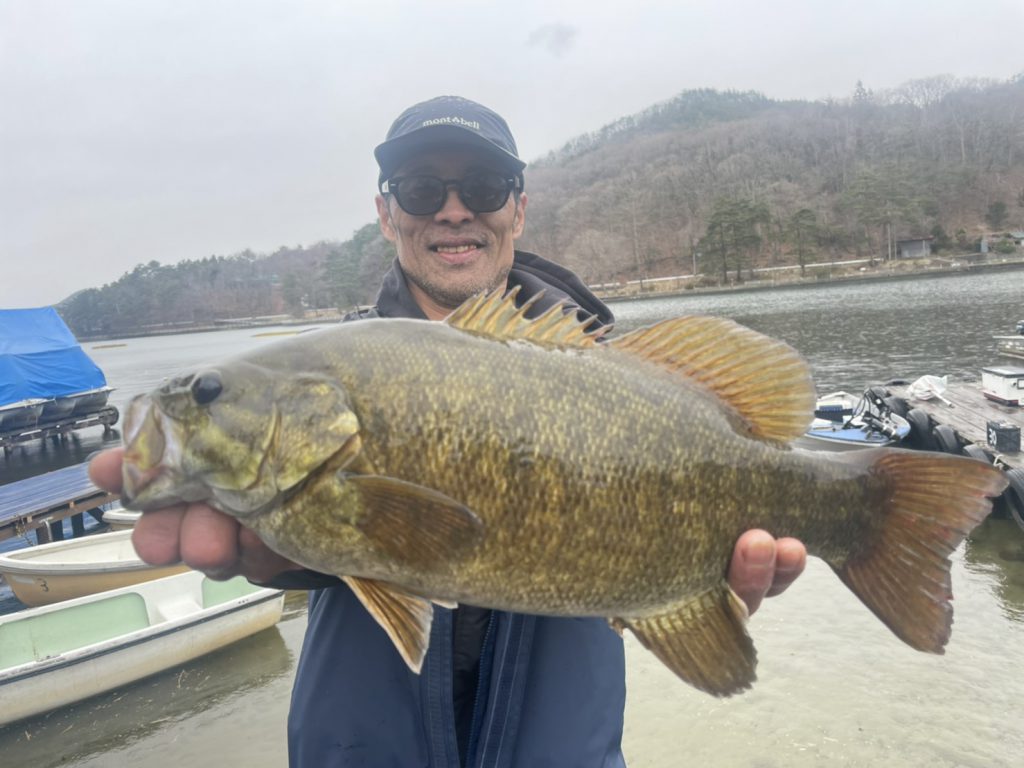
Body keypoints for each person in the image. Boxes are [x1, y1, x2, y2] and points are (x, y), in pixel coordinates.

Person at [89, 95, 807, 768]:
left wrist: (685, 595)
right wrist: (291, 545)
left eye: (486, 187)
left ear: (519, 211)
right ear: (386, 212)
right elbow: (384, 538)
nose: (455, 211)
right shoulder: (336, 363)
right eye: (422, 190)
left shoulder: (614, 378)